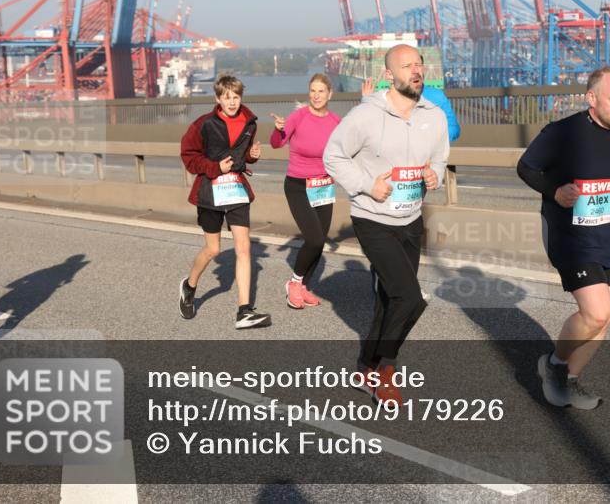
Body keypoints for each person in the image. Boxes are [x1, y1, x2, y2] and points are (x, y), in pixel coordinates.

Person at [517, 66, 610, 409]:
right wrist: (555, 190)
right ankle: (555, 365)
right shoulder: (562, 132)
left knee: (607, 317)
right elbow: (526, 167)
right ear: (591, 98)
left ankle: (570, 379)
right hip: (569, 235)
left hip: (608, 234)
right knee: (595, 312)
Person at [325, 44, 449, 406]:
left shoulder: (434, 116)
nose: (417, 71)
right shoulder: (366, 115)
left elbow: (440, 160)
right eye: (407, 65)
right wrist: (367, 185)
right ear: (389, 75)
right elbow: (332, 155)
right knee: (410, 298)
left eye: (419, 64)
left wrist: (433, 176)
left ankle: (365, 366)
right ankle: (386, 372)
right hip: (372, 218)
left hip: (411, 218)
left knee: (389, 298)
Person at [178, 74, 271, 329]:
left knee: (244, 248)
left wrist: (252, 156)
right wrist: (214, 166)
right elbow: (189, 156)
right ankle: (189, 285)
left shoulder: (249, 122)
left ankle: (244, 311)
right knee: (213, 250)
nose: (232, 102)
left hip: (237, 190)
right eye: (227, 97)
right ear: (218, 98)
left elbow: (244, 155)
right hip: (210, 190)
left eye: (236, 97)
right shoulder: (204, 124)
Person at [269, 73, 341, 309]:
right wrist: (279, 129)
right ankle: (294, 282)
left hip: (323, 186)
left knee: (318, 243)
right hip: (299, 185)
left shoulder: (336, 122)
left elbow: (350, 145)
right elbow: (277, 143)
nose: (316, 95)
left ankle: (304, 287)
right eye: (313, 91)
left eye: (321, 91)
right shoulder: (298, 116)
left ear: (329, 94)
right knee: (315, 238)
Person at [362, 76, 460, 143]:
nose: (414, 70)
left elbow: (453, 128)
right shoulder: (386, 97)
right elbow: (371, 130)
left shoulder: (436, 96)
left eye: (417, 65)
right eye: (407, 66)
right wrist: (368, 103)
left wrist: (430, 140)